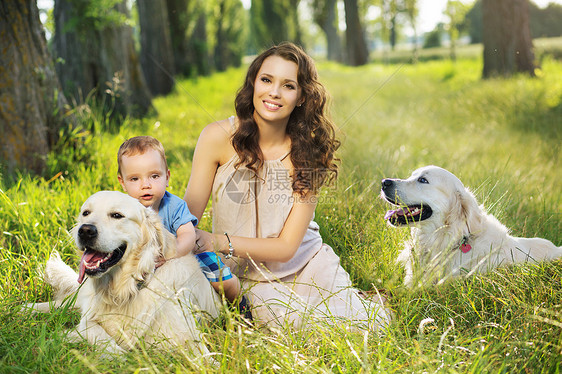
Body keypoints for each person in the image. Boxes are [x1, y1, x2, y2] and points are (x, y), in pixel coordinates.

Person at [184, 42, 390, 330]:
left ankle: (362, 303)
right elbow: (186, 219)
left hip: (308, 263)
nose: (274, 93)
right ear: (253, 83)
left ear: (302, 96)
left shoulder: (309, 152)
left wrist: (216, 241)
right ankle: (353, 300)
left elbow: (286, 247)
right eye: (266, 80)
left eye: (288, 85)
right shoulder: (216, 138)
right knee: (304, 325)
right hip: (247, 276)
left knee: (371, 326)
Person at [117, 136, 244, 306]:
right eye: (135, 179)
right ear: (122, 182)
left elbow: (188, 235)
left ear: (167, 177)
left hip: (184, 257)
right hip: (142, 263)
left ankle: (240, 305)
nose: (145, 184)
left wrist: (171, 253)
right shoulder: (123, 210)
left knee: (223, 280)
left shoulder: (174, 205)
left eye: (154, 176)